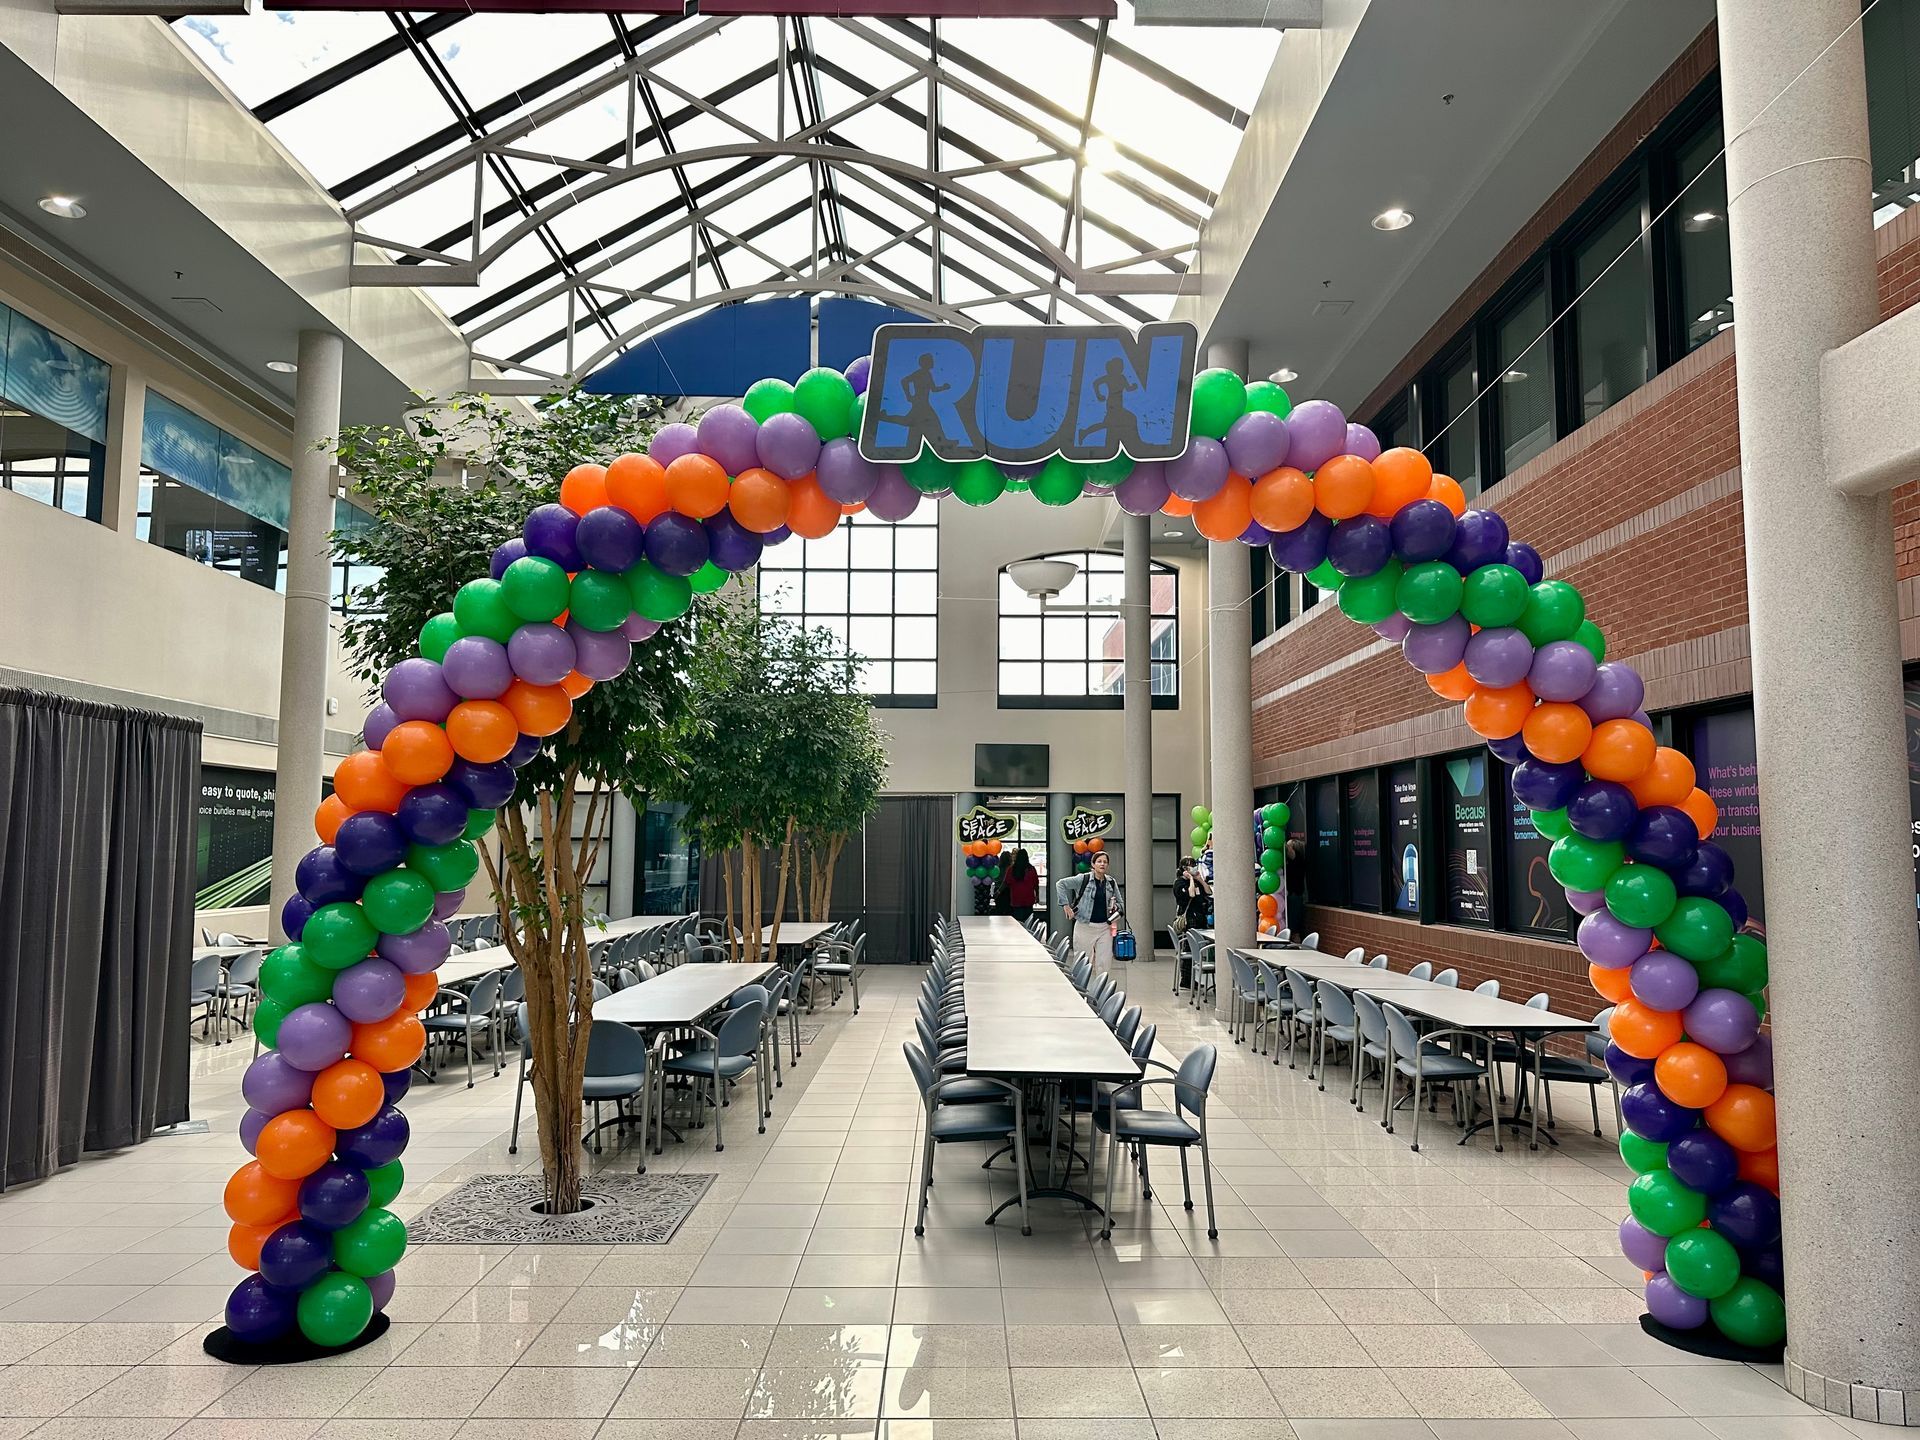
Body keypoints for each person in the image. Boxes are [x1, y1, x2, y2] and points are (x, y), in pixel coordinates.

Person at [1061, 849, 1124, 970]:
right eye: (1099, 861)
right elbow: (1061, 884)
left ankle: (1102, 987)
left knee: (1105, 962)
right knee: (1083, 961)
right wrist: (1065, 905)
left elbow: (1121, 904)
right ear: (1093, 864)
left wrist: (1116, 908)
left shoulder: (1111, 882)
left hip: (1105, 927)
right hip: (1085, 926)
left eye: (1105, 862)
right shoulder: (1083, 879)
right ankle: (1081, 988)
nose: (1102, 864)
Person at [1173, 856, 1212, 940]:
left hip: (1200, 915)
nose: (1194, 868)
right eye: (1192, 866)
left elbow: (1209, 892)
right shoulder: (1179, 883)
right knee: (1191, 941)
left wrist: (1200, 880)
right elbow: (1191, 894)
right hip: (1189, 917)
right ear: (1185, 868)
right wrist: (1190, 878)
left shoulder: (1197, 881)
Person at [1004, 848, 1039, 924]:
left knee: (1017, 922)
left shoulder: (1011, 869)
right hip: (1028, 899)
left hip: (1016, 899)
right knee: (1028, 921)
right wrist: (1037, 895)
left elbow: (1007, 882)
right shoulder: (1031, 869)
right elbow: (1036, 883)